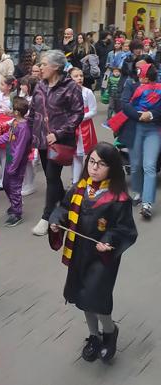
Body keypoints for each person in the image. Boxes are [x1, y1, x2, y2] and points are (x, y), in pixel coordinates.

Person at [48, 142, 137, 363]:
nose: (94, 168)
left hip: (102, 259)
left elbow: (125, 229)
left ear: (113, 168)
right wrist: (56, 220)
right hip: (79, 253)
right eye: (92, 161)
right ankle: (94, 336)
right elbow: (64, 209)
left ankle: (109, 332)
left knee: (96, 299)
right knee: (81, 297)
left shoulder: (118, 199)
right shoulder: (79, 189)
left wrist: (109, 240)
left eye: (102, 164)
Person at [29, 50, 84, 236]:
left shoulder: (71, 87)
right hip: (41, 139)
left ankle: (47, 217)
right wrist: (28, 134)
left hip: (59, 141)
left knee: (52, 176)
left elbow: (78, 114)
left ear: (56, 67)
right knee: (51, 178)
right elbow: (33, 111)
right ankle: (67, 207)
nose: (40, 67)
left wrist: (59, 134)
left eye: (44, 64)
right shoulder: (40, 85)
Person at [117, 63, 161, 218]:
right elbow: (124, 103)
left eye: (141, 70)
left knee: (149, 166)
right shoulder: (131, 84)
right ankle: (137, 192)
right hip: (134, 128)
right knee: (135, 166)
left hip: (154, 130)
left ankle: (147, 203)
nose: (139, 73)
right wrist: (139, 115)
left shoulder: (159, 87)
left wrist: (150, 115)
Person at [0, 97, 32, 227]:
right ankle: (14, 205)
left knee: (14, 186)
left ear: (18, 112)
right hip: (10, 158)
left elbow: (20, 149)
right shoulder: (15, 123)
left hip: (16, 162)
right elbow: (8, 136)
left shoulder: (23, 127)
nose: (10, 110)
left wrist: (13, 166)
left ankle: (17, 212)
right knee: (6, 184)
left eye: (12, 108)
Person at [69, 67, 98, 184]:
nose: (79, 78)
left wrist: (81, 117)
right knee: (71, 155)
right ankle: (75, 179)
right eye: (76, 76)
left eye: (81, 76)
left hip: (83, 128)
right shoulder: (66, 92)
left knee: (78, 155)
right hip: (70, 127)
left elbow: (93, 110)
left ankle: (76, 182)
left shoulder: (87, 92)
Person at [18, 76, 39, 196]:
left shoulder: (34, 99)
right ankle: (27, 181)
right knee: (24, 159)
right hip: (24, 130)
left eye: (23, 85)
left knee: (28, 159)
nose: (21, 87)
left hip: (31, 131)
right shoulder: (24, 97)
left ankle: (30, 183)